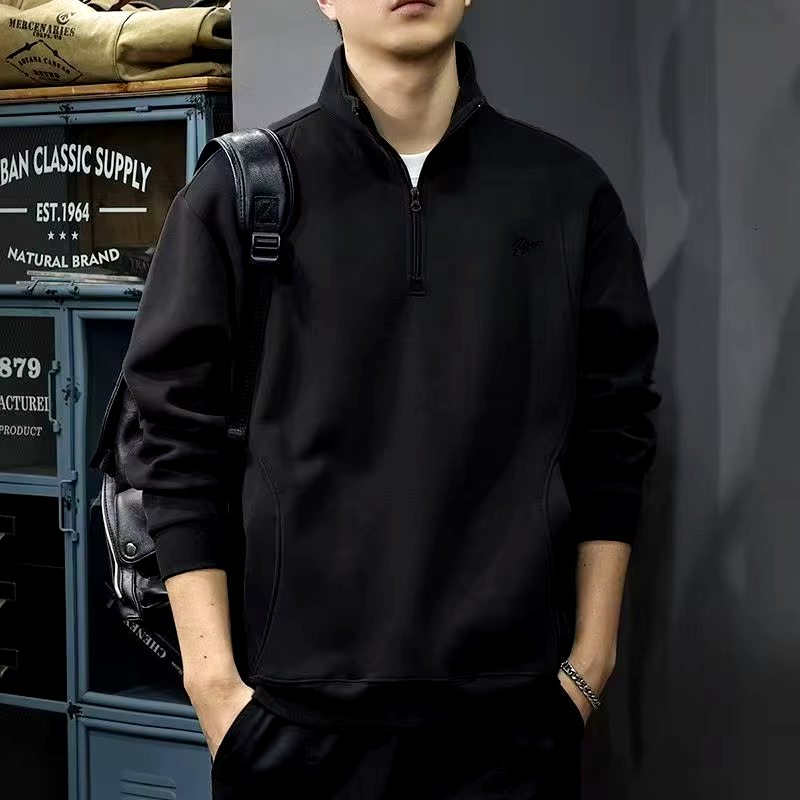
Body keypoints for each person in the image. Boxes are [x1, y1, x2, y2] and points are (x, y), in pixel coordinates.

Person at [123, 0, 660, 797]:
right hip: (294, 727)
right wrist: (216, 690)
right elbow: (172, 441)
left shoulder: (566, 192)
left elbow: (614, 432)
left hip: (512, 729)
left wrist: (590, 663)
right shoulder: (239, 194)